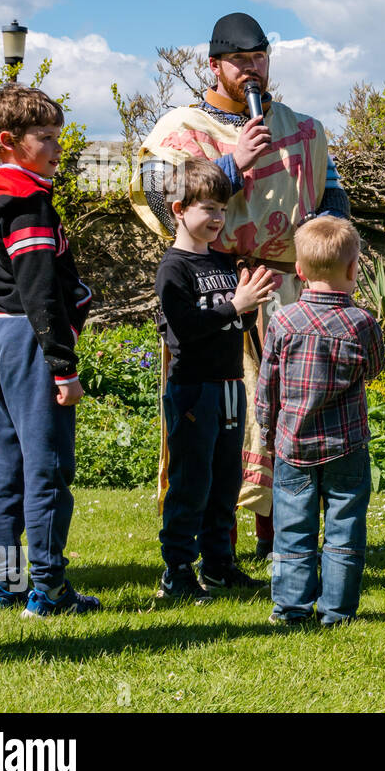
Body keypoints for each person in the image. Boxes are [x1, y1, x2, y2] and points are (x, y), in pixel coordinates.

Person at [130, 12, 350, 559]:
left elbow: (331, 202)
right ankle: (212, 544)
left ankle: (277, 540)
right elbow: (165, 202)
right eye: (240, 62)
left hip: (286, 288)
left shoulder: (303, 128)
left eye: (259, 59)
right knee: (221, 415)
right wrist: (234, 164)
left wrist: (324, 265)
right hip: (214, 282)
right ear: (214, 66)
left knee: (289, 406)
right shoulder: (181, 129)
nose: (252, 71)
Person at [0, 83, 98, 616]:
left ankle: (4, 585)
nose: (58, 147)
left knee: (8, 472)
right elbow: (40, 291)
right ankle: (48, 591)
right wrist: (62, 366)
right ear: (7, 141)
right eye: (46, 137)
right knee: (48, 469)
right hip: (30, 339)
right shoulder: (29, 203)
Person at [154, 158, 276, 602]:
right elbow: (185, 327)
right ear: (179, 209)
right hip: (193, 388)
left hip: (230, 385)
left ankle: (220, 565)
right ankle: (178, 572)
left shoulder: (224, 261)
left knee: (226, 478)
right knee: (192, 481)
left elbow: (235, 324)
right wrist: (235, 305)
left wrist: (248, 308)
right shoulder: (174, 268)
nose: (218, 219)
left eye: (222, 210)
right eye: (208, 208)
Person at [256, 216, 384, 626]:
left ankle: (290, 608)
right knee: (345, 528)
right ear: (352, 269)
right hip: (346, 444)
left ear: (299, 271)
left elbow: (267, 385)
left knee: (292, 529)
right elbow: (375, 370)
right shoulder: (362, 323)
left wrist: (266, 430)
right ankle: (337, 611)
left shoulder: (282, 321)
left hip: (293, 444)